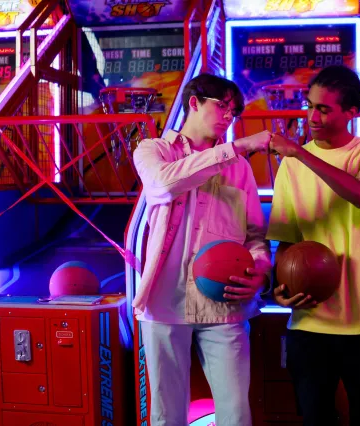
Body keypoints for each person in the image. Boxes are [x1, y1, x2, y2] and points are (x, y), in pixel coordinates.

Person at [132, 73, 272, 426]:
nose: (229, 116)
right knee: (166, 415)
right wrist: (236, 147)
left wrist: (259, 271)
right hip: (164, 301)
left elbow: (254, 236)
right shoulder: (153, 150)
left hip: (223, 303)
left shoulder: (239, 169)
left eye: (234, 111)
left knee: (237, 414)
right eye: (222, 105)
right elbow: (163, 184)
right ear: (194, 102)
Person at [266, 65, 360, 426]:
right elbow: (286, 239)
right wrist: (277, 291)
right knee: (315, 420)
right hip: (310, 324)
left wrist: (299, 153)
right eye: (309, 106)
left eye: (324, 109)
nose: (312, 117)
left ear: (352, 112)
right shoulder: (289, 168)